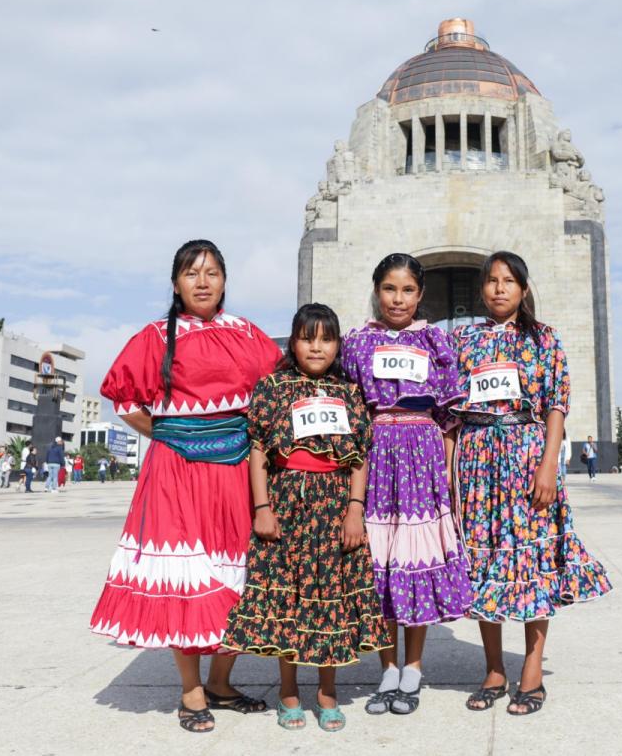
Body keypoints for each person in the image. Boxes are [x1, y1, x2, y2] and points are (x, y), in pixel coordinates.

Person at [89, 239, 282, 733]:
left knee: (242, 576)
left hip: (237, 470)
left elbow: (279, 388)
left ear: (225, 280)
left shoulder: (247, 334)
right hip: (176, 472)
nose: (202, 282)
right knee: (186, 577)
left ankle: (221, 681)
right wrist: (173, 434)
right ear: (175, 283)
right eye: (192, 273)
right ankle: (191, 689)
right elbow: (122, 398)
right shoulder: (155, 336)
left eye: (212, 272)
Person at [452, 252, 611, 716]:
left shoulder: (544, 339)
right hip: (478, 458)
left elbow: (556, 408)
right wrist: (452, 475)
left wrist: (548, 467)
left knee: (532, 560)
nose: (499, 288)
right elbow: (452, 411)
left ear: (524, 289)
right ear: (482, 289)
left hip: (526, 455)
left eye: (509, 281)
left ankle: (533, 670)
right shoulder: (464, 339)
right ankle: (494, 669)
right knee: (483, 563)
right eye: (492, 281)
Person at [222, 303, 386, 733]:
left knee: (329, 597)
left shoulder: (349, 392)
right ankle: (289, 690)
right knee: (288, 599)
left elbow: (360, 457)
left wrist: (356, 509)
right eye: (307, 337)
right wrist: (262, 508)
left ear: (337, 345)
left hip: (335, 507)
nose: (317, 346)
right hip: (285, 502)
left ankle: (327, 692)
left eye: (326, 338)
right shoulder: (273, 388)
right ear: (293, 342)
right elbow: (259, 448)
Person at [341, 254, 472, 716]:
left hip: (423, 452)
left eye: (408, 290)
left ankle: (413, 667)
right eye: (390, 289)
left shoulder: (436, 338)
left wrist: (450, 472)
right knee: (381, 561)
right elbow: (350, 408)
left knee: (415, 556)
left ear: (420, 294)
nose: (399, 299)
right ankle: (387, 668)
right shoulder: (356, 342)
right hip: (376, 455)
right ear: (377, 289)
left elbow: (451, 416)